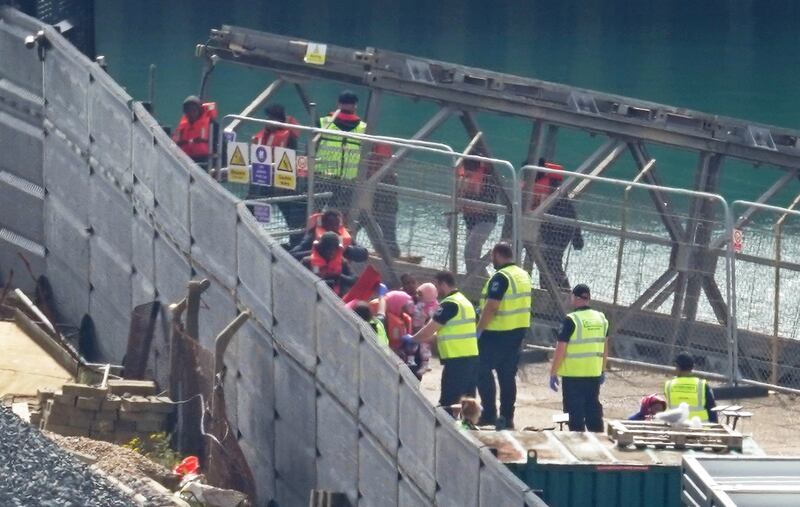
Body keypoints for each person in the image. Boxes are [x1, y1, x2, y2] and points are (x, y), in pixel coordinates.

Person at [475, 242, 532, 430]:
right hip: (517, 332)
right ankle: (507, 417)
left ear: (498, 255)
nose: (492, 260)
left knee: (481, 370)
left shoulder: (501, 277)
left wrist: (478, 331)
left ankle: (489, 413)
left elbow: (492, 306)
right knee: (507, 376)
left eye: (492, 256)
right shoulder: (523, 274)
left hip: (496, 332)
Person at [411, 271, 479, 413]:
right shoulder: (465, 302)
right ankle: (468, 430)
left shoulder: (449, 304)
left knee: (448, 402)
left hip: (456, 359)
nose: (436, 291)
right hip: (471, 356)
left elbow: (430, 328)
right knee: (468, 402)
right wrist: (423, 338)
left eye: (437, 286)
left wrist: (412, 339)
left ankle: (444, 431)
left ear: (442, 284)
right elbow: (444, 333)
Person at [549, 284, 608, 432]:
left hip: (573, 376)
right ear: (588, 298)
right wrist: (603, 369)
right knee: (592, 409)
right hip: (593, 374)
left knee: (574, 414)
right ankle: (598, 441)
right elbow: (605, 347)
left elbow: (560, 349)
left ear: (575, 298)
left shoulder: (571, 320)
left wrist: (553, 372)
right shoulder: (601, 318)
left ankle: (577, 443)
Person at [249, 104, 305, 247]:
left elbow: (291, 159)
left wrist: (284, 184)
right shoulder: (263, 135)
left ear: (279, 120)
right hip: (262, 180)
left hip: (282, 183)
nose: (268, 120)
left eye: (272, 118)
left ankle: (295, 244)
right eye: (267, 117)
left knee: (289, 213)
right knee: (251, 207)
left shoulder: (289, 138)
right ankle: (250, 234)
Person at [316, 90, 367, 212]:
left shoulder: (323, 122)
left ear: (338, 104)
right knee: (342, 214)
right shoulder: (363, 128)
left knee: (315, 210)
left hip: (323, 177)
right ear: (355, 106)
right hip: (347, 181)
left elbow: (311, 147)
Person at [537, 160, 584, 289]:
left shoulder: (555, 193)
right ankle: (551, 288)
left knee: (551, 259)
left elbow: (571, 216)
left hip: (559, 231)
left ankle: (560, 289)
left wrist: (577, 239)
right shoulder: (556, 192)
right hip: (553, 230)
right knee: (549, 260)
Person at [457, 158, 498, 275]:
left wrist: (467, 206)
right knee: (473, 256)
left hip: (486, 221)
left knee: (469, 252)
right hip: (470, 220)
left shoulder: (487, 178)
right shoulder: (463, 175)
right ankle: (479, 279)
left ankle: (473, 279)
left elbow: (485, 207)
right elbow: (458, 197)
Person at [291, 209, 368, 263]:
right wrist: (319, 250)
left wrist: (345, 250)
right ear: (324, 224)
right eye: (331, 225)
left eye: (336, 225)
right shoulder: (313, 235)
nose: (334, 228)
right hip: (315, 271)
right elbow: (294, 254)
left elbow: (364, 255)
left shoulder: (343, 237)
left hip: (337, 273)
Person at [665, 352, 718, 423]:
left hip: (676, 428)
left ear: (677, 366)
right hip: (700, 429)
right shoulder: (702, 385)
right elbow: (712, 409)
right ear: (693, 367)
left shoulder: (669, 385)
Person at [301, 231, 356, 297]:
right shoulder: (307, 261)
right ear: (321, 248)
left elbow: (353, 280)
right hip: (312, 294)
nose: (331, 251)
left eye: (334, 248)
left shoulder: (343, 262)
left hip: (335, 298)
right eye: (328, 248)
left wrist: (338, 276)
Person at [173, 95, 218, 169]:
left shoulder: (211, 124)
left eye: (194, 110)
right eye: (188, 111)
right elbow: (174, 143)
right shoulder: (182, 125)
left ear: (199, 111)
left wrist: (220, 165)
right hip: (185, 160)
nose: (191, 113)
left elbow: (221, 144)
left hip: (205, 161)